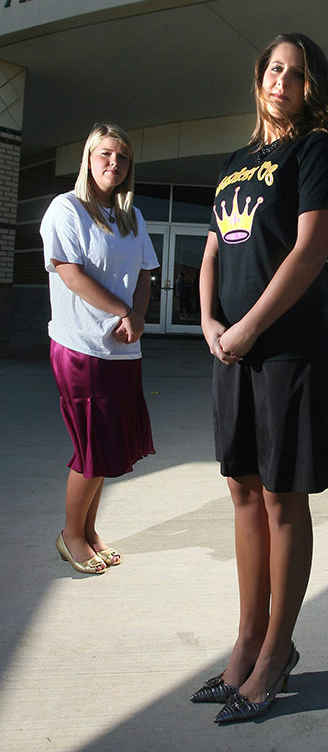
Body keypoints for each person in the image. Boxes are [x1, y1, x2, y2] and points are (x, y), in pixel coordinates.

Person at [194, 33, 328, 723]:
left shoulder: (316, 150)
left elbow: (312, 249)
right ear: (260, 78)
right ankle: (246, 643)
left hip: (286, 350)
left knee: (284, 498)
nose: (283, 80)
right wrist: (206, 322)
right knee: (242, 490)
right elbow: (211, 247)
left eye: (298, 72)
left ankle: (276, 652)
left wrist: (251, 326)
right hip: (231, 349)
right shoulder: (236, 163)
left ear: (313, 86)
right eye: (275, 68)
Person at [40, 121, 159, 576]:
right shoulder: (66, 209)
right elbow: (69, 272)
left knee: (107, 447)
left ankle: (89, 531)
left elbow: (146, 272)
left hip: (123, 351)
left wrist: (139, 316)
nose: (115, 162)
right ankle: (71, 534)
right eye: (106, 154)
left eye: (123, 157)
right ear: (89, 159)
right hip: (81, 347)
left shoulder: (131, 216)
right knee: (92, 446)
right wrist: (121, 312)